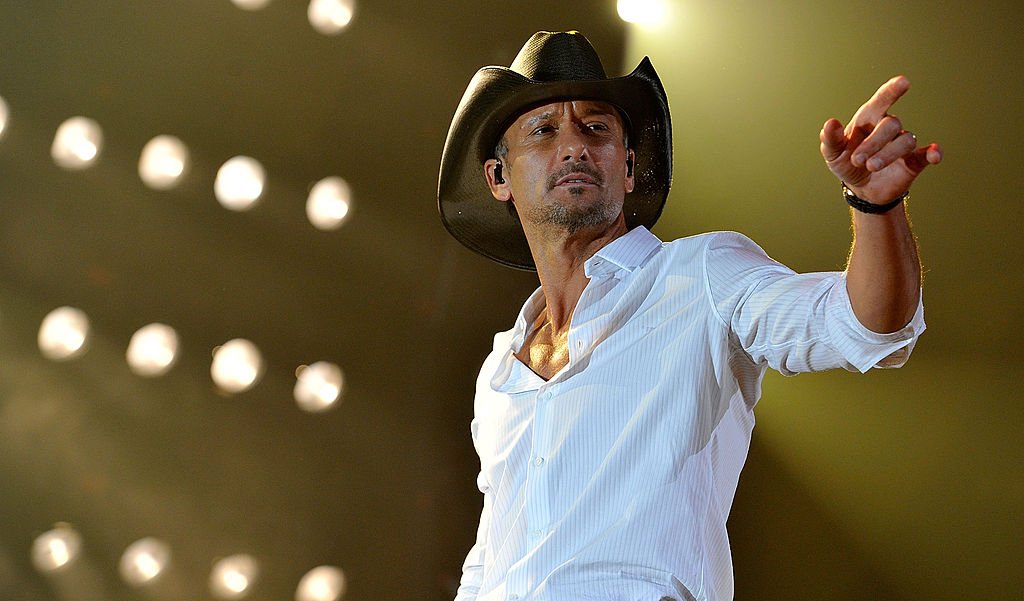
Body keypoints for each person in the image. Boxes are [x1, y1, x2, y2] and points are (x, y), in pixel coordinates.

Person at [436, 31, 942, 601]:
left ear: (627, 168)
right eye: (544, 130)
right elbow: (488, 562)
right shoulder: (499, 369)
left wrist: (875, 207)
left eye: (596, 128)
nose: (574, 146)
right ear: (499, 178)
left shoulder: (702, 274)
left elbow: (863, 325)